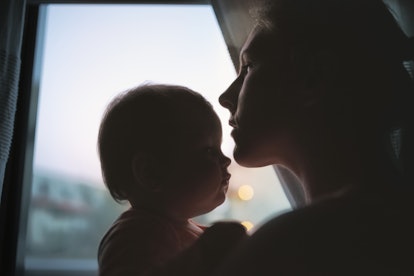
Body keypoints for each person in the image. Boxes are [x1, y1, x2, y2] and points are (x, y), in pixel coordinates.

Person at [214, 0, 414, 274]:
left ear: (314, 76)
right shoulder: (394, 216)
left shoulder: (295, 245)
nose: (225, 98)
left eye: (248, 67)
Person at [97, 83, 246, 276]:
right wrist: (205, 255)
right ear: (150, 172)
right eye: (209, 151)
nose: (225, 160)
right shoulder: (137, 235)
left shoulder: (180, 230)